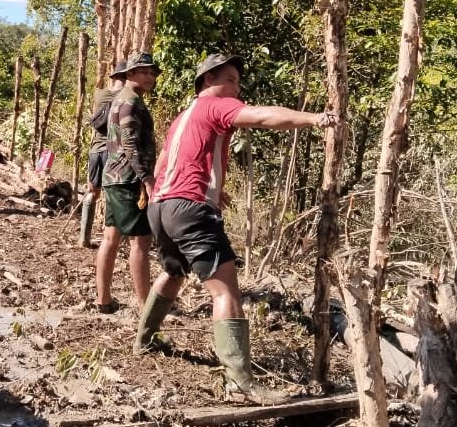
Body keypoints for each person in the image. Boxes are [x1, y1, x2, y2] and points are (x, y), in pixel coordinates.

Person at [135, 53, 339, 404]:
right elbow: (262, 117)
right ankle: (240, 385)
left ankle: (144, 339)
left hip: (161, 206)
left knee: (172, 271)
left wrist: (211, 190)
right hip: (189, 208)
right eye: (230, 79)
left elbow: (172, 161)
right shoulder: (215, 107)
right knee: (226, 292)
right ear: (209, 80)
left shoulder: (183, 117)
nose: (237, 87)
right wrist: (317, 119)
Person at [94, 52, 160, 313]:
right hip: (128, 179)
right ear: (129, 74)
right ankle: (146, 308)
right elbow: (129, 143)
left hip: (115, 177)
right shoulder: (130, 102)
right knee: (141, 242)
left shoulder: (123, 100)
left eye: (153, 73)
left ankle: (104, 300)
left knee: (111, 237)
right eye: (144, 72)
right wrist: (146, 178)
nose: (150, 77)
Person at [78, 60, 127, 247]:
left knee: (92, 192)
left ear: (113, 77)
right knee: (114, 195)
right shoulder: (126, 97)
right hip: (113, 151)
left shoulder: (99, 94)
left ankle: (84, 237)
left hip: (95, 150)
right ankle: (113, 239)